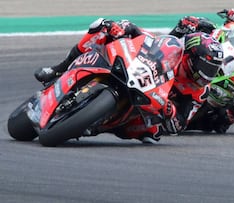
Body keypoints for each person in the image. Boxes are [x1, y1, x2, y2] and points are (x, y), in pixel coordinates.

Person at [34, 18, 224, 143]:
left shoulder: (200, 91)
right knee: (103, 27)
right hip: (135, 70)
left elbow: (180, 124)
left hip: (147, 105)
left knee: (154, 133)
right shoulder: (172, 46)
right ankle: (58, 69)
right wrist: (123, 27)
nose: (205, 75)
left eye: (212, 70)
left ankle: (95, 126)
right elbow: (143, 35)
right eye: (205, 67)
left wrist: (169, 110)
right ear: (190, 55)